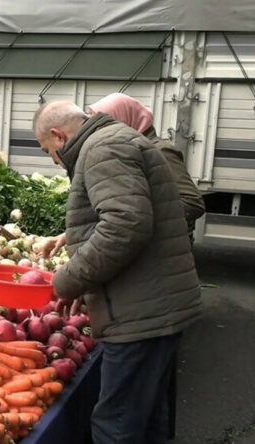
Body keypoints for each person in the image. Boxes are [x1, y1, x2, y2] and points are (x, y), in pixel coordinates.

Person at [32, 101, 202, 444]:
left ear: (58, 134)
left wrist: (67, 280)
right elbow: (127, 218)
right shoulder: (114, 140)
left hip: (141, 314)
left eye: (48, 150)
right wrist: (86, 281)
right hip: (152, 305)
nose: (52, 160)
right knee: (149, 420)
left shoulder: (102, 148)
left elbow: (125, 225)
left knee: (116, 426)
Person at [88, 93, 205, 237]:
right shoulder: (127, 150)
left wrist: (137, 217)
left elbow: (192, 202)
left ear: (123, 119)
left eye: (104, 126)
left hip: (164, 250)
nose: (99, 133)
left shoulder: (159, 151)